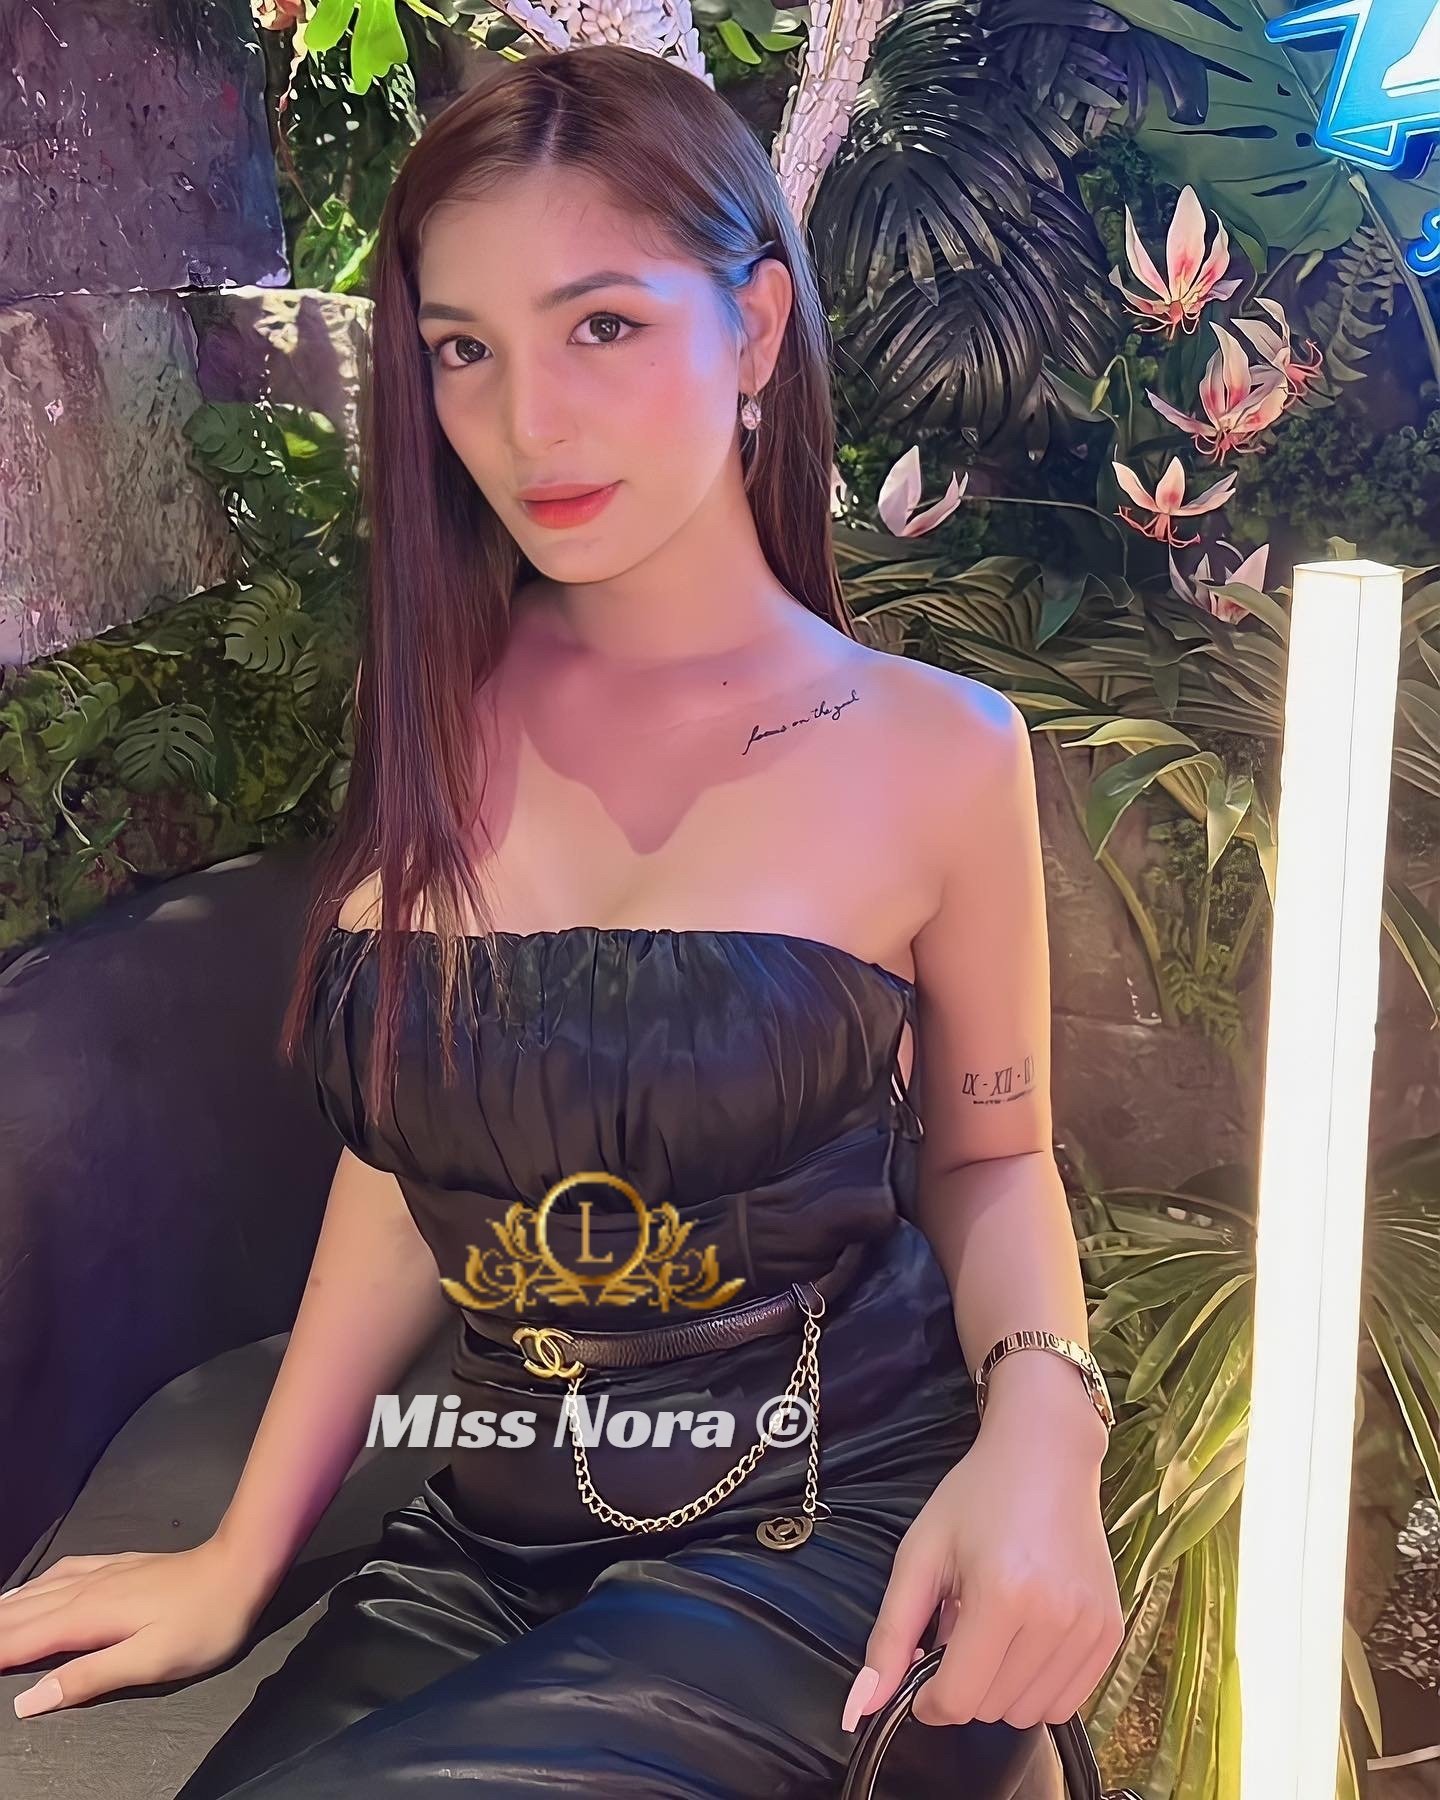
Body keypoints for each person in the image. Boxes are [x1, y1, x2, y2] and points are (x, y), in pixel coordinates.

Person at [0, 44, 1125, 1797]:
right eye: (465, 348)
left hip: (826, 1536)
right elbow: (411, 1162)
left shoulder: (937, 751)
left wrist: (1052, 1425)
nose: (528, 424)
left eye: (602, 324)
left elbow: (990, 1154)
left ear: (756, 330)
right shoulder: (434, 703)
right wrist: (238, 1553)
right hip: (486, 1545)